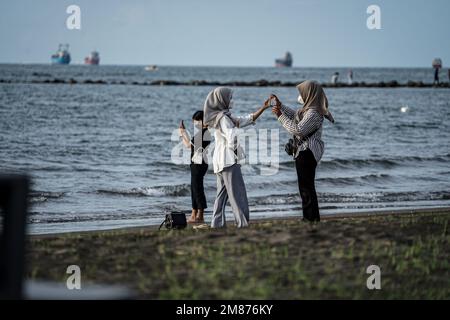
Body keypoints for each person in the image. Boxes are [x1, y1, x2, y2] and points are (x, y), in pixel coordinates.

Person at [203, 87, 271, 228]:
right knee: (237, 194)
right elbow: (232, 137)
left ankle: (217, 224)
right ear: (222, 99)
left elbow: (245, 120)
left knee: (221, 195)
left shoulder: (221, 117)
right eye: (229, 97)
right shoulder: (224, 118)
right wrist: (235, 152)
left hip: (220, 161)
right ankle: (242, 223)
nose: (231, 100)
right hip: (228, 160)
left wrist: (263, 108)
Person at [271, 80, 334, 223]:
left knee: (306, 187)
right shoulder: (309, 110)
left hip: (307, 151)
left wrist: (280, 116)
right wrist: (281, 107)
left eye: (303, 92)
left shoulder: (313, 113)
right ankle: (311, 217)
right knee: (305, 186)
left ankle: (310, 218)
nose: (301, 95)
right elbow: (295, 116)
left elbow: (298, 130)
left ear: (310, 94)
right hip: (305, 151)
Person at [179, 111, 211, 224]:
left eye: (196, 122)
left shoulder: (204, 132)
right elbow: (189, 146)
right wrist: (182, 133)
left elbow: (190, 145)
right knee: (194, 188)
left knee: (197, 189)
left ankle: (200, 215)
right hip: (196, 163)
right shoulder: (202, 132)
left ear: (201, 120)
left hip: (199, 163)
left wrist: (183, 132)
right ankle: (194, 214)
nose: (194, 124)